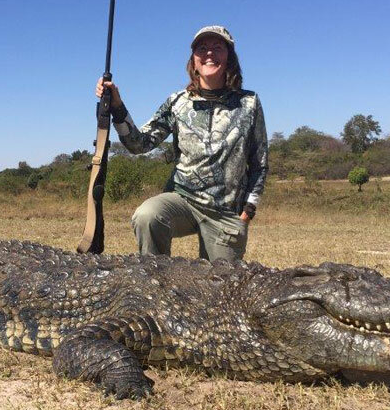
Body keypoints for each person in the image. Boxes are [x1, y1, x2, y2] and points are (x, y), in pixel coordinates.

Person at [95, 25, 268, 261]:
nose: (209, 54)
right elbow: (139, 144)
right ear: (193, 61)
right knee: (147, 215)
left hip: (226, 212)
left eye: (218, 48)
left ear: (229, 58)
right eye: (202, 48)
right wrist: (117, 107)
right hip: (183, 200)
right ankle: (155, 283)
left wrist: (247, 211)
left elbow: (260, 162)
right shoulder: (177, 101)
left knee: (221, 289)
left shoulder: (249, 103)